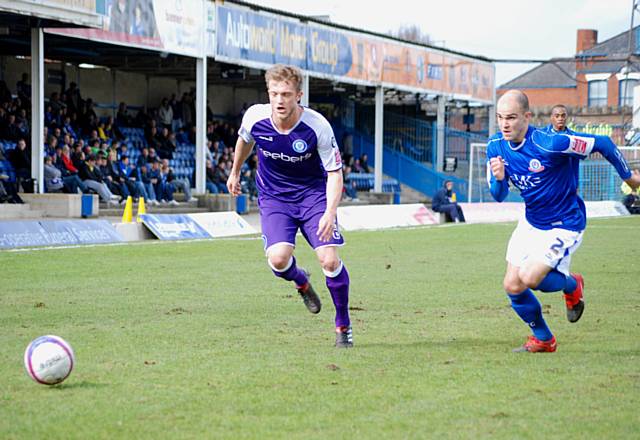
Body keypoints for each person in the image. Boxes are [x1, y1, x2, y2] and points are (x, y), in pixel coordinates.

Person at [486, 90, 640, 353]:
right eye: (500, 118)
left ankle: (572, 285)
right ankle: (544, 339)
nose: (504, 124)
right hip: (531, 221)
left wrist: (628, 178)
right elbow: (498, 196)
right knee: (512, 284)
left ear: (527, 116)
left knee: (531, 278)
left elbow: (603, 143)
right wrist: (498, 178)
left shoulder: (552, 143)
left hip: (564, 222)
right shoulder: (495, 146)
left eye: (511, 117)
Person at [226, 64, 353, 348]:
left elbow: (334, 172)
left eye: (286, 94)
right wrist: (235, 171)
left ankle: (342, 324)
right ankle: (302, 282)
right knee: (279, 261)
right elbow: (245, 140)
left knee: (329, 261)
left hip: (312, 197)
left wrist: (330, 212)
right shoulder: (255, 116)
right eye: (274, 94)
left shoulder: (317, 125)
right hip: (274, 198)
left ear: (299, 95)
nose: (279, 100)